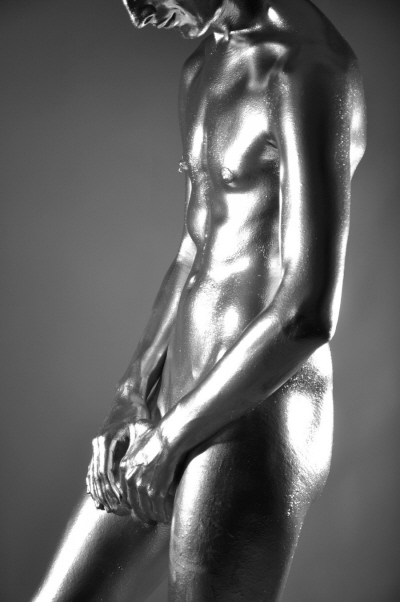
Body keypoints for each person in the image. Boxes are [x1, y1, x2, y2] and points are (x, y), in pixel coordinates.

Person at [33, 0, 366, 600]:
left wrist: (171, 440)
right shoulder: (202, 65)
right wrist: (130, 398)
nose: (137, 12)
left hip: (256, 409)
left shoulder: (308, 68)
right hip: (172, 394)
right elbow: (195, 245)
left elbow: (307, 311)